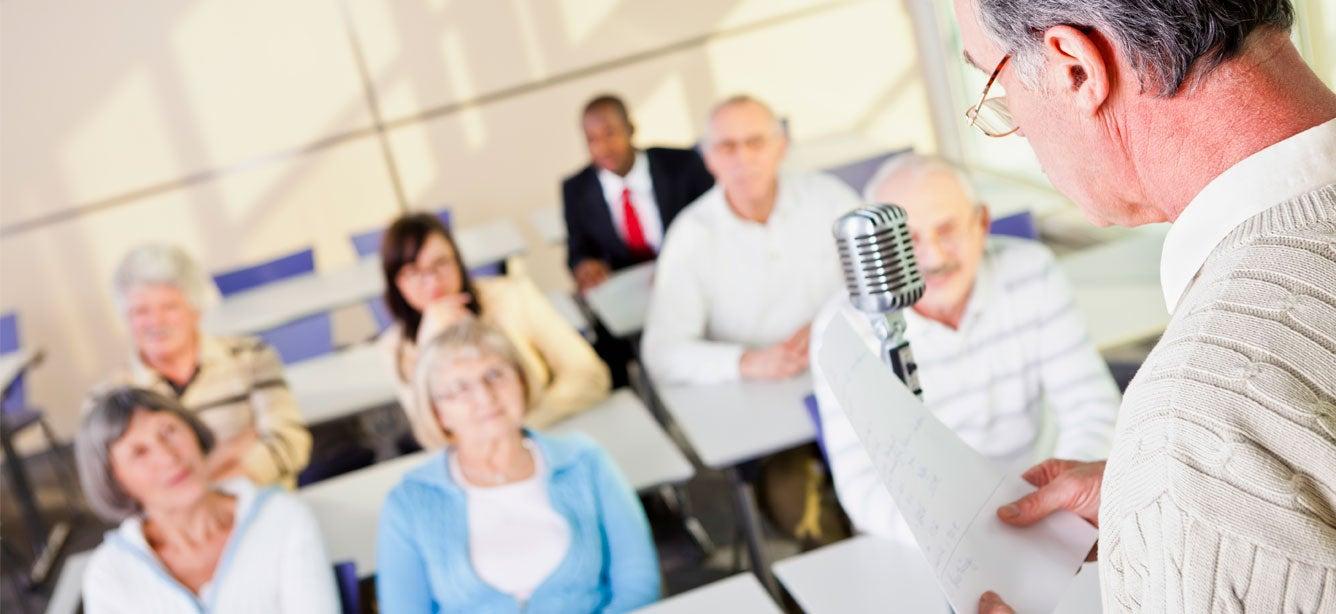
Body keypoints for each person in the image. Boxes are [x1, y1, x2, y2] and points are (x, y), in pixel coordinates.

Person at [946, 0, 1336, 611]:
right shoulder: (1201, 447)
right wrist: (1180, 508)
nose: (1013, 125)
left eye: (994, 84)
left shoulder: (1191, 426)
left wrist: (1184, 492)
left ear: (1075, 67)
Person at [811, 154, 1121, 543]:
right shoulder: (844, 330)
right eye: (909, 239)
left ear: (982, 223)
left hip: (1041, 510)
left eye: (948, 230)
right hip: (922, 540)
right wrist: (954, 536)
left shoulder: (1033, 273)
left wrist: (1055, 501)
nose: (934, 257)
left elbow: (1093, 409)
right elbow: (861, 484)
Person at [376, 320, 659, 612]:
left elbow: (638, 583)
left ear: (521, 381)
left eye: (495, 375)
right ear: (438, 412)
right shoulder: (409, 503)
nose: (485, 397)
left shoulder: (584, 461)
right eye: (459, 388)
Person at [641, 95, 863, 385]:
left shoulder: (832, 199)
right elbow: (662, 352)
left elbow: (886, 284)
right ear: (708, 159)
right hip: (756, 392)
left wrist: (834, 323)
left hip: (853, 366)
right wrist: (747, 362)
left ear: (781, 146)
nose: (742, 159)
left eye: (755, 142)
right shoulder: (690, 236)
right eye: (727, 147)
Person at [76, 387, 339, 613]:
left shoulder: (283, 519)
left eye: (169, 431)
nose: (168, 456)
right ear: (115, 481)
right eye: (140, 452)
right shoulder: (110, 572)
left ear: (193, 431)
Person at [88, 244, 311, 488]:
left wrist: (182, 488)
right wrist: (229, 452)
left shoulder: (250, 357)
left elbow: (289, 444)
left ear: (196, 311)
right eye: (141, 311)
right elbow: (115, 491)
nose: (155, 321)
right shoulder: (104, 400)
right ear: (126, 318)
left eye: (169, 307)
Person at [375, 212, 611, 430]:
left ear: (458, 261)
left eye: (441, 263)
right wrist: (428, 346)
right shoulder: (394, 348)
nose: (432, 281)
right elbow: (433, 433)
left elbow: (590, 374)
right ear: (396, 284)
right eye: (414, 272)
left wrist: (519, 427)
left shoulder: (512, 295)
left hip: (552, 430)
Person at [562, 94, 715, 292]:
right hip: (626, 292)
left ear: (631, 129)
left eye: (610, 133)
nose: (603, 147)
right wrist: (585, 265)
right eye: (592, 139)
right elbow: (578, 250)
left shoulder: (682, 165)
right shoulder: (576, 189)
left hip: (693, 277)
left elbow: (716, 218)